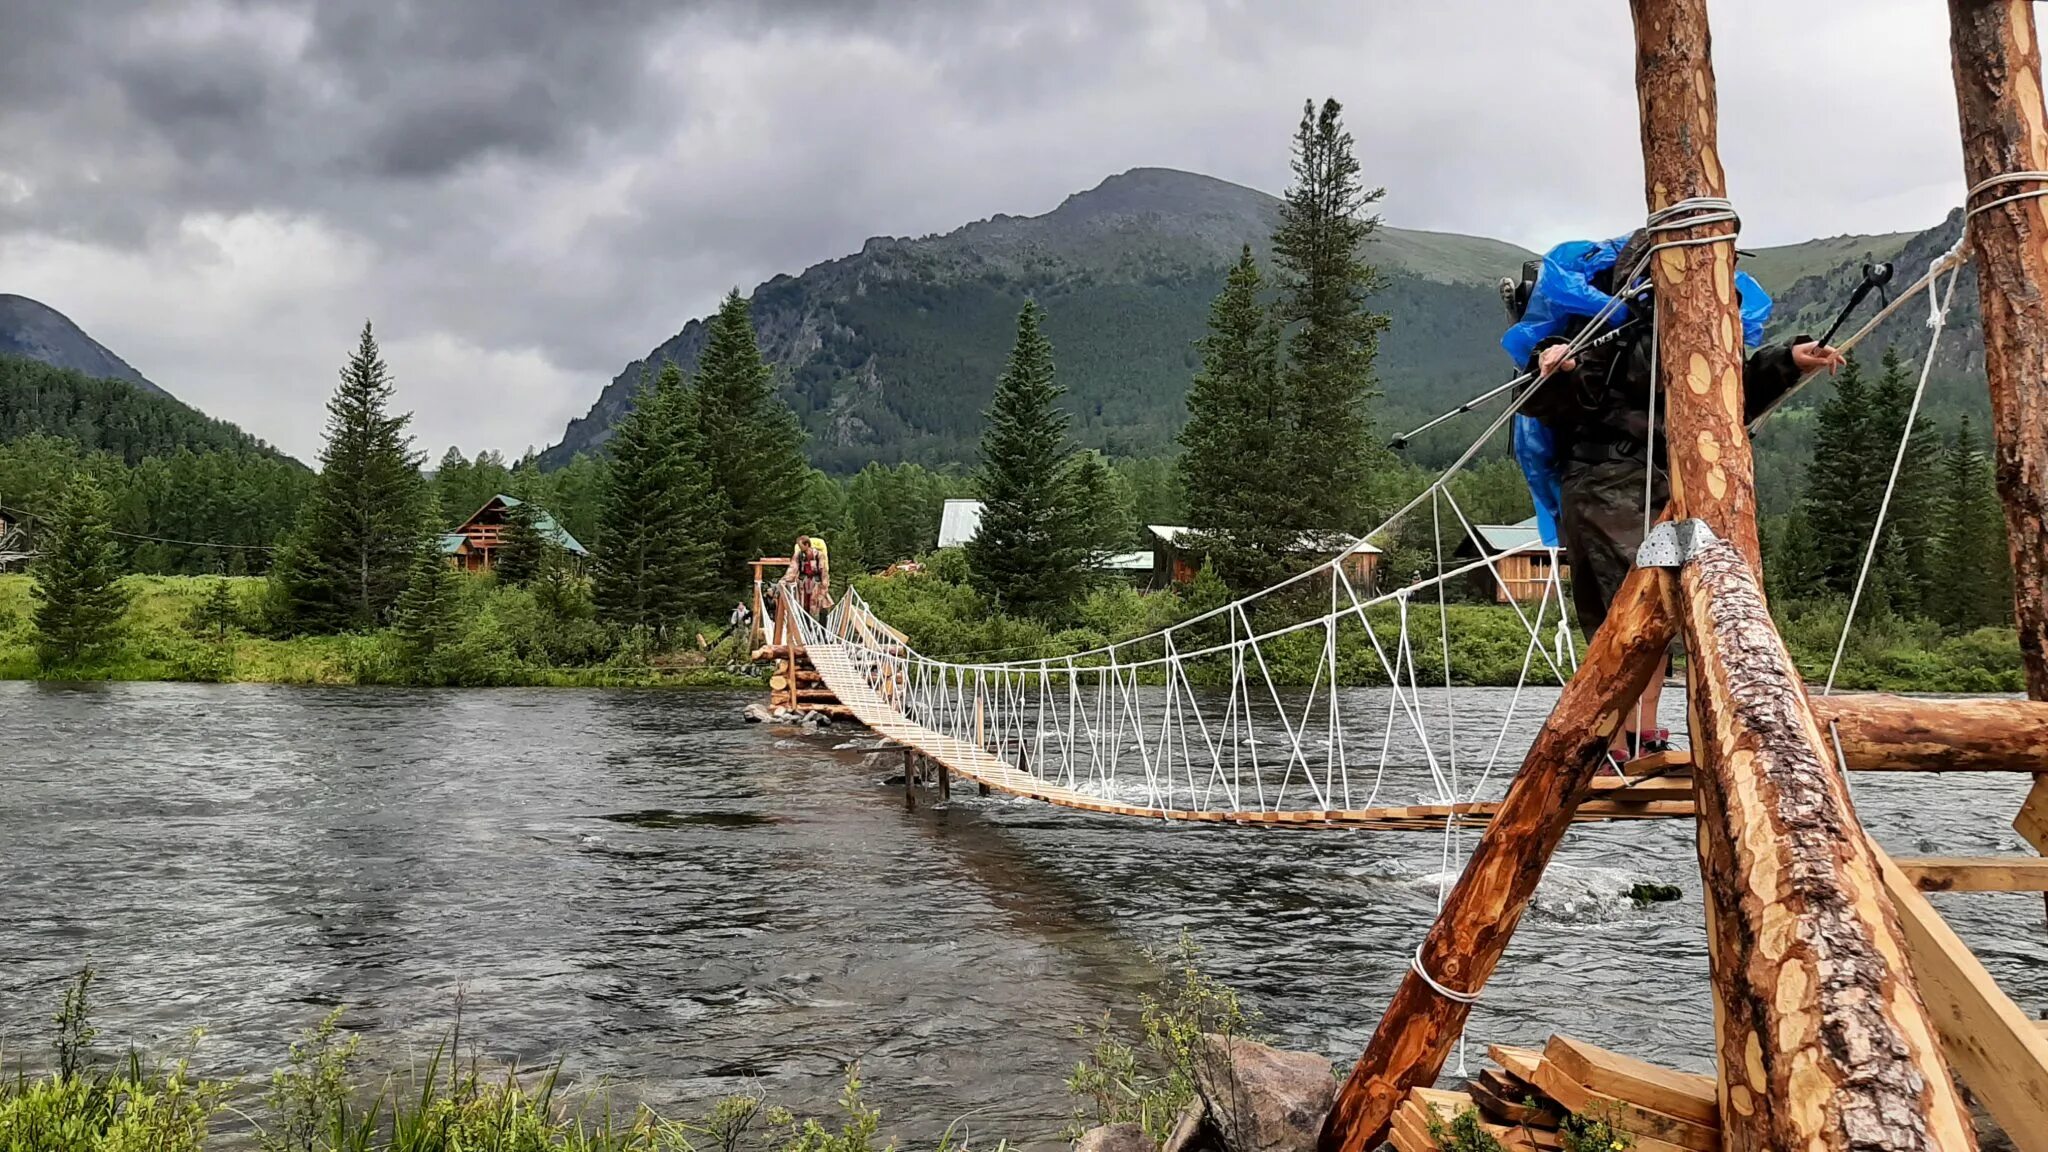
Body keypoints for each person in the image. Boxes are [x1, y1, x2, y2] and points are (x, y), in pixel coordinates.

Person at [1510, 229, 1844, 769]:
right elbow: (1548, 401)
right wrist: (1555, 366)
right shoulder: (1605, 330)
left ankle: (1640, 738)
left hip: (1672, 481)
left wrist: (1789, 360)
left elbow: (1728, 394)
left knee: (1663, 613)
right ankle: (1613, 740)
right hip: (1605, 482)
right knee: (1630, 609)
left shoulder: (1706, 330)